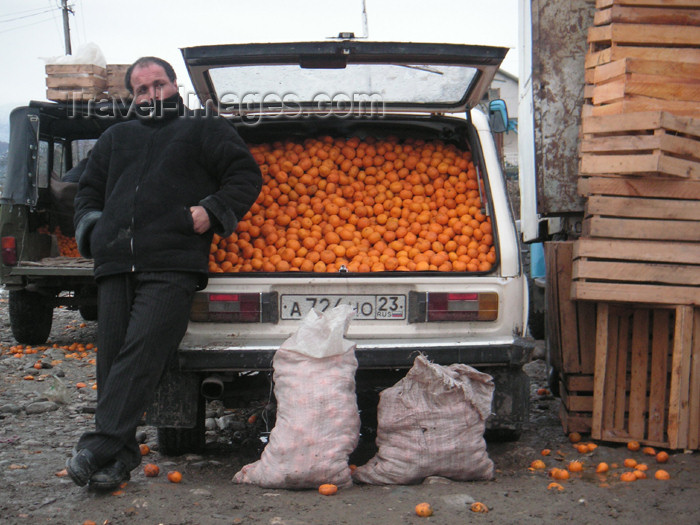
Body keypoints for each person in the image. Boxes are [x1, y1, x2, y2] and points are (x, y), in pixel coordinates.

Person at [66, 56, 262, 491]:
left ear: (174, 85)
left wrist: (209, 212)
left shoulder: (203, 129)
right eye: (142, 89)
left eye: (159, 84)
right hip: (115, 262)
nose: (152, 94)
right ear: (132, 97)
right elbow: (87, 191)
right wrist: (94, 231)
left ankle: (98, 444)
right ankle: (117, 461)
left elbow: (244, 175)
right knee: (112, 360)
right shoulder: (117, 137)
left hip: (173, 260)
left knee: (141, 351)